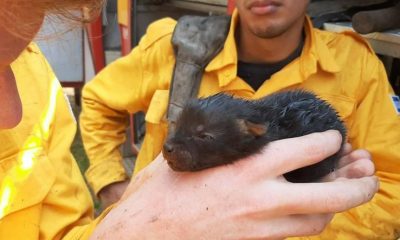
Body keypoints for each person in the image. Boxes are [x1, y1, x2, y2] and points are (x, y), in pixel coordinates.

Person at [0, 0, 379, 239]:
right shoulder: (172, 45)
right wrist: (111, 185)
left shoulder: (355, 63)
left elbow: (387, 180)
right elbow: (98, 100)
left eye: (7, 67)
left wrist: (291, 226)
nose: (10, 111)